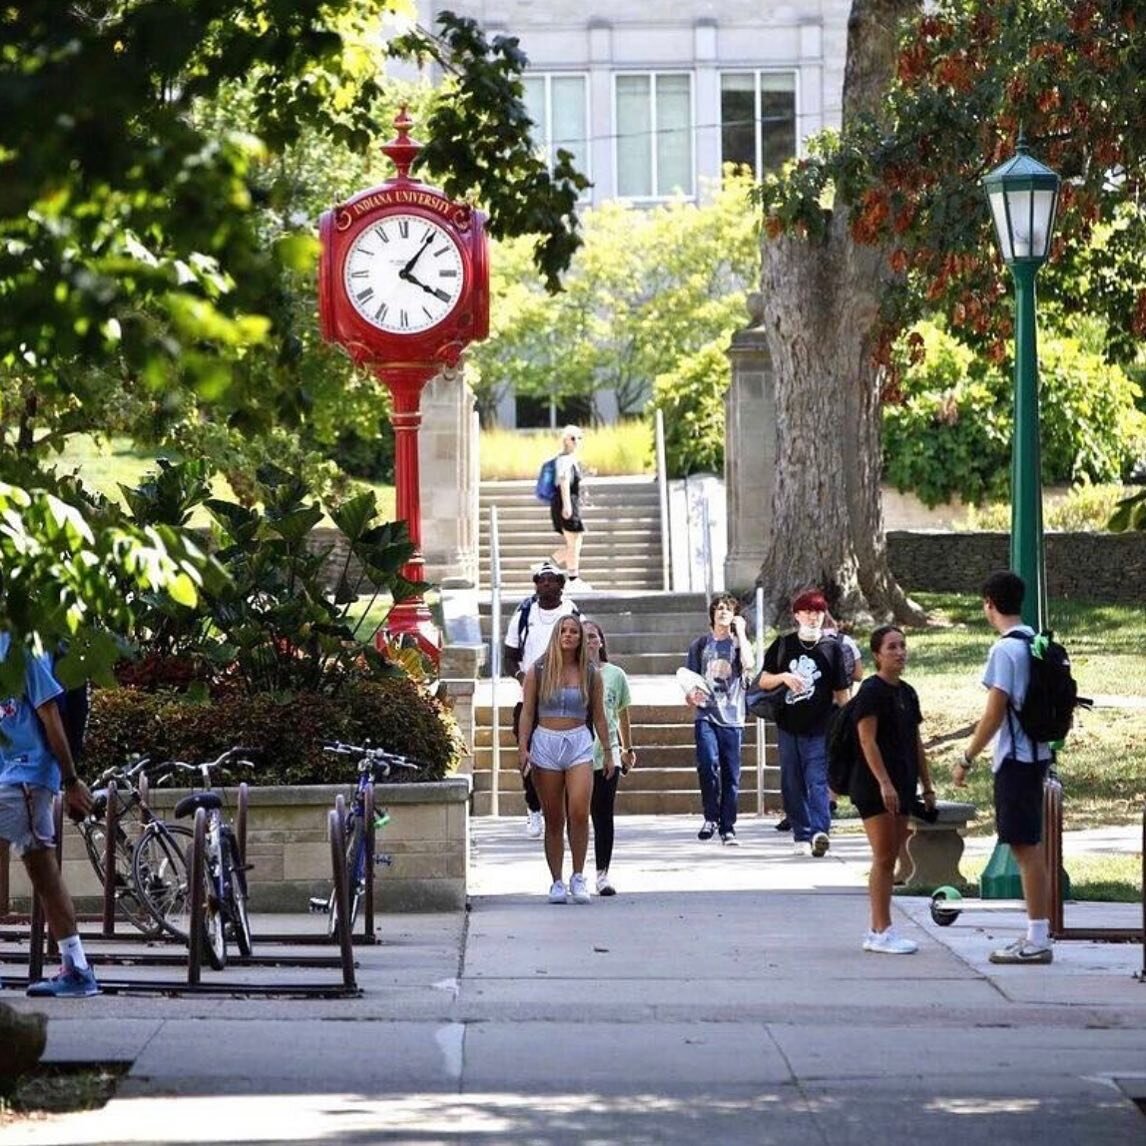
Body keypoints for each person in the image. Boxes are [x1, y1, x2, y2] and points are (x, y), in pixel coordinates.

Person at [954, 570, 1055, 965]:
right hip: (1039, 753)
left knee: (1025, 848)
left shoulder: (1005, 651)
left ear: (989, 604)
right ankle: (1037, 931)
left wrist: (967, 757)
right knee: (1029, 846)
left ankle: (1038, 938)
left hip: (1016, 760)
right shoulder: (1037, 644)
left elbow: (995, 712)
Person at [0, 626, 100, 996]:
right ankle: (77, 968)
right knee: (43, 871)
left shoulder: (22, 647)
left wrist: (71, 780)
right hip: (14, 776)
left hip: (25, 775)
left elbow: (51, 714)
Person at [518, 615, 615, 904]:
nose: (569, 635)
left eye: (574, 631)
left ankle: (578, 876)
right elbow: (527, 712)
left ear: (580, 638)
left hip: (579, 742)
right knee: (554, 818)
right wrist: (523, 748)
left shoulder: (590, 673)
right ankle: (557, 881)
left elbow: (599, 715)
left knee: (578, 811)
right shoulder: (539, 669)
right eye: (564, 630)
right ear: (556, 635)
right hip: (546, 740)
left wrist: (609, 752)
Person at [851, 625, 936, 954]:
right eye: (892, 647)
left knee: (891, 857)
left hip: (903, 785)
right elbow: (866, 739)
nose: (900, 652)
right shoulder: (871, 692)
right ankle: (880, 930)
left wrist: (926, 786)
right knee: (884, 857)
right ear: (877, 654)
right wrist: (884, 782)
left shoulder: (907, 692)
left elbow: (915, 742)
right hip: (874, 786)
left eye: (902, 646)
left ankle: (880, 928)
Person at [756, 589, 850, 857]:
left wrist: (850, 722)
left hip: (820, 727)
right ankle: (801, 833)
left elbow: (842, 693)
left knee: (818, 780)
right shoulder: (784, 644)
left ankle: (820, 831)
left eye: (819, 612)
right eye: (808, 611)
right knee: (792, 781)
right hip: (788, 725)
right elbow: (763, 680)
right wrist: (784, 676)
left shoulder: (833, 649)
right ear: (797, 615)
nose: (813, 617)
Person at [504, 560, 580, 838]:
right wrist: (523, 679)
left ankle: (565, 812)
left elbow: (584, 651)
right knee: (529, 753)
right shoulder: (524, 614)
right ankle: (533, 808)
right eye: (540, 579)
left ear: (561, 584)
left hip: (565, 700)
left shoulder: (571, 614)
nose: (545, 584)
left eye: (551, 579)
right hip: (530, 700)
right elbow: (509, 656)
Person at [684, 593, 754, 846]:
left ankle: (728, 827)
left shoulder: (738, 645)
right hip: (707, 714)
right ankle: (710, 817)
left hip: (733, 716)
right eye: (720, 608)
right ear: (712, 614)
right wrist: (691, 695)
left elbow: (749, 665)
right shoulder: (700, 645)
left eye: (729, 609)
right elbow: (689, 679)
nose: (724, 612)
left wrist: (742, 633)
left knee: (731, 775)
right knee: (706, 764)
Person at [583, 620, 635, 896]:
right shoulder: (571, 674)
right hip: (577, 755)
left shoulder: (615, 674)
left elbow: (623, 714)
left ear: (601, 641)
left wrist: (628, 749)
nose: (589, 641)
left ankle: (602, 873)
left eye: (593, 636)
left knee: (603, 816)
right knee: (578, 816)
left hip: (608, 754)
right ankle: (577, 872)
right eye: (585, 637)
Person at [550, 425, 590, 588]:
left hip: (570, 503)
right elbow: (564, 482)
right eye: (572, 438)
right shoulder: (564, 460)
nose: (576, 441)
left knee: (575, 542)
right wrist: (567, 506)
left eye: (579, 438)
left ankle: (551, 567)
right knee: (574, 541)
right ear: (565, 440)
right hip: (565, 503)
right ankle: (571, 577)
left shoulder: (570, 459)